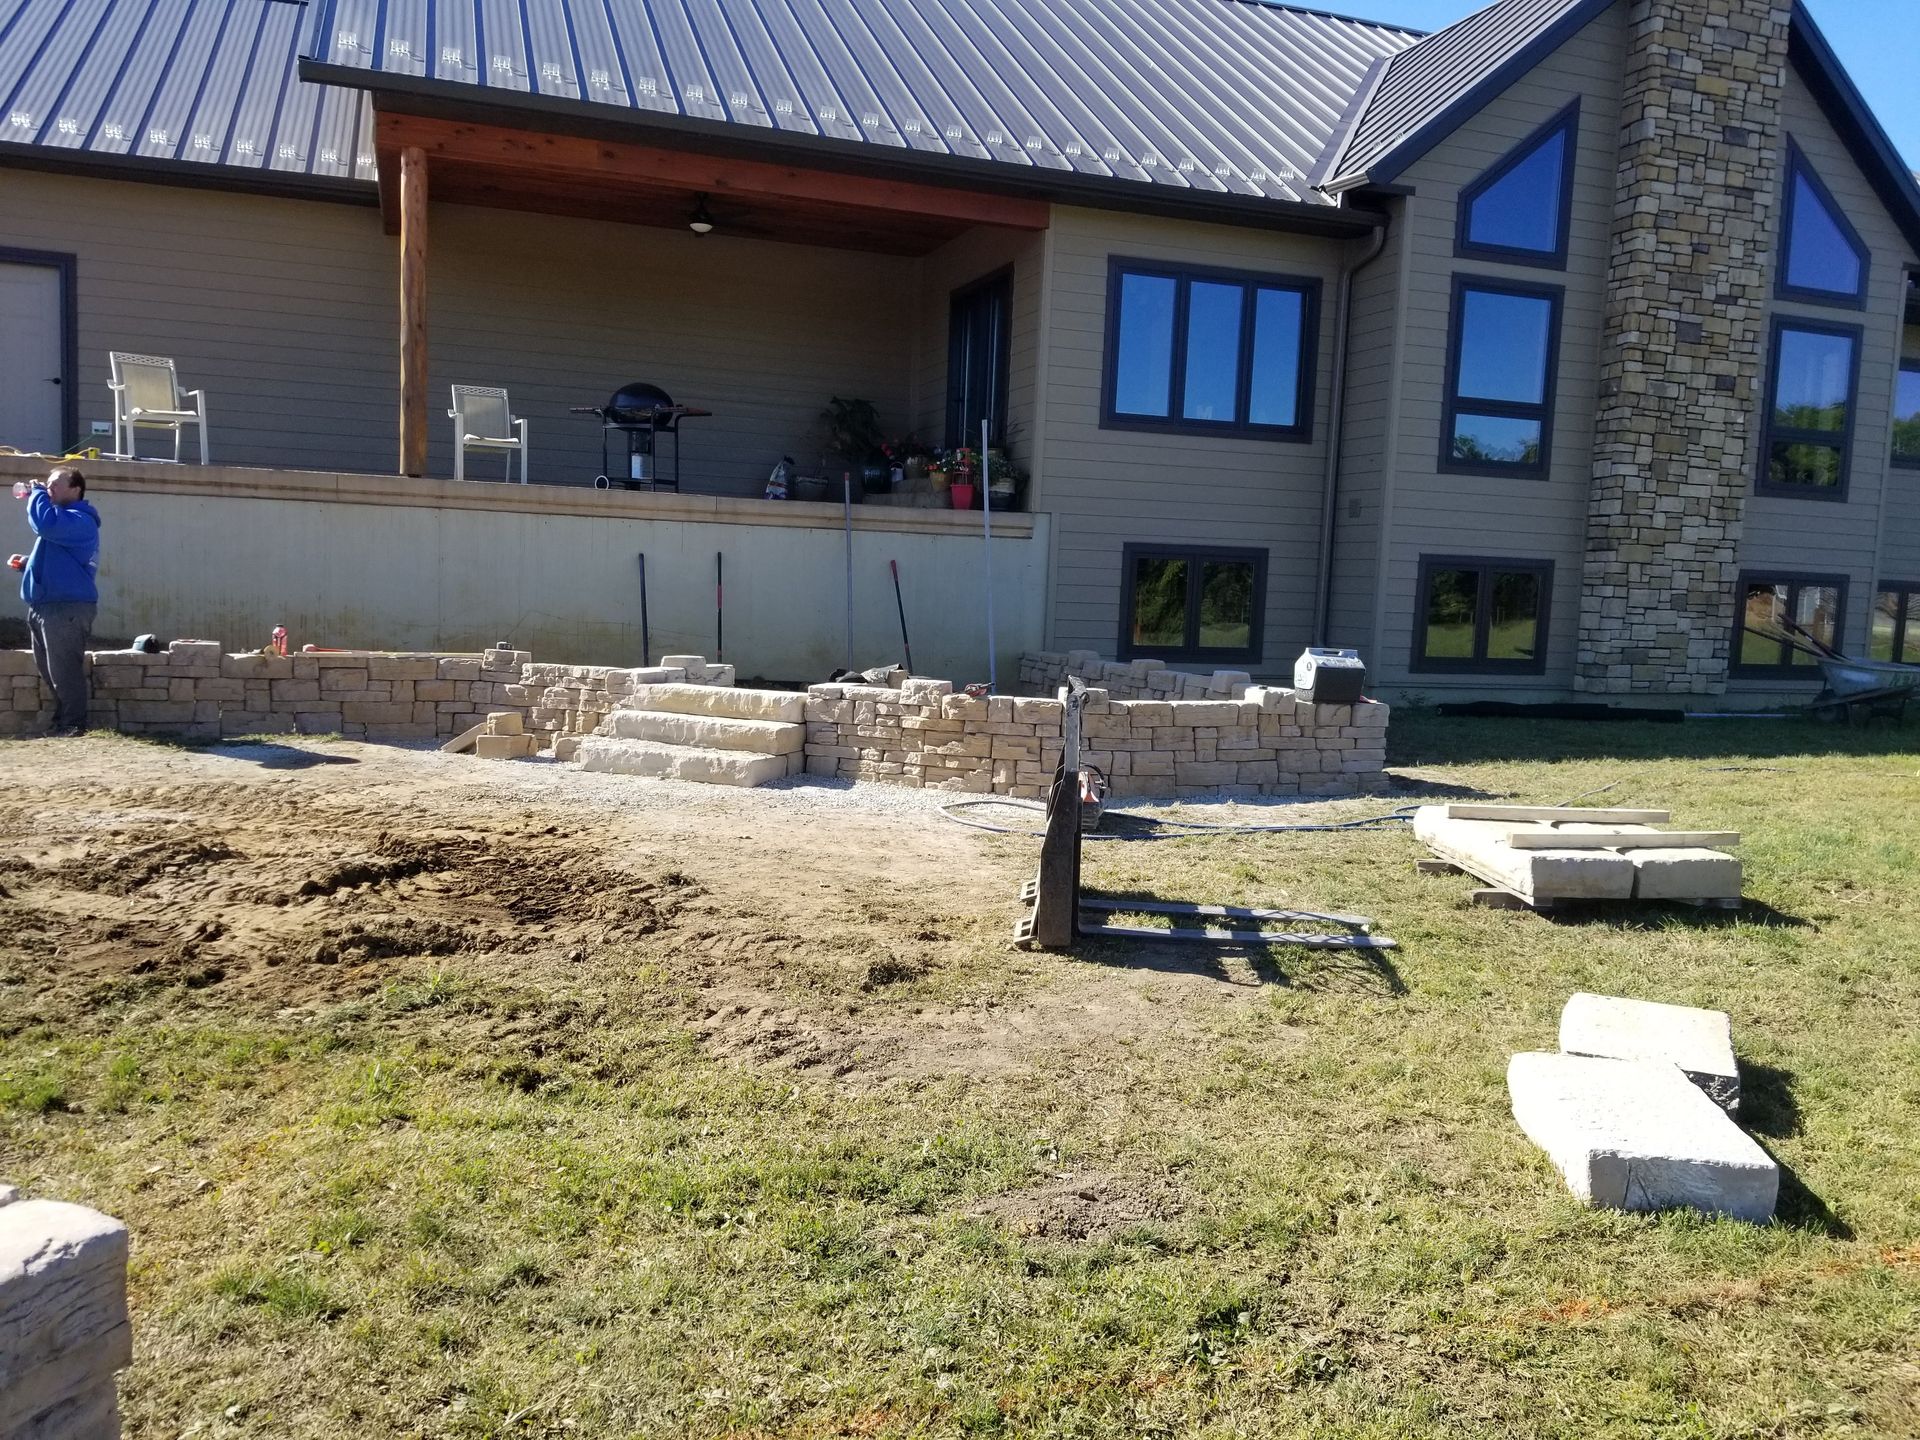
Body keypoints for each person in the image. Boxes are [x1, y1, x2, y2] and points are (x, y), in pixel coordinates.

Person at [9, 467, 102, 736]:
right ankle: (63, 722)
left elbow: (45, 524)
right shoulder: (63, 523)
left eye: (54, 485)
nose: (48, 489)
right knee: (50, 671)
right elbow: (62, 559)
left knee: (64, 670)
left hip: (67, 607)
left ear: (76, 489)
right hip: (44, 606)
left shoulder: (80, 520)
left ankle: (73, 725)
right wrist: (28, 564)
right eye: (46, 485)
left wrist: (36, 493)